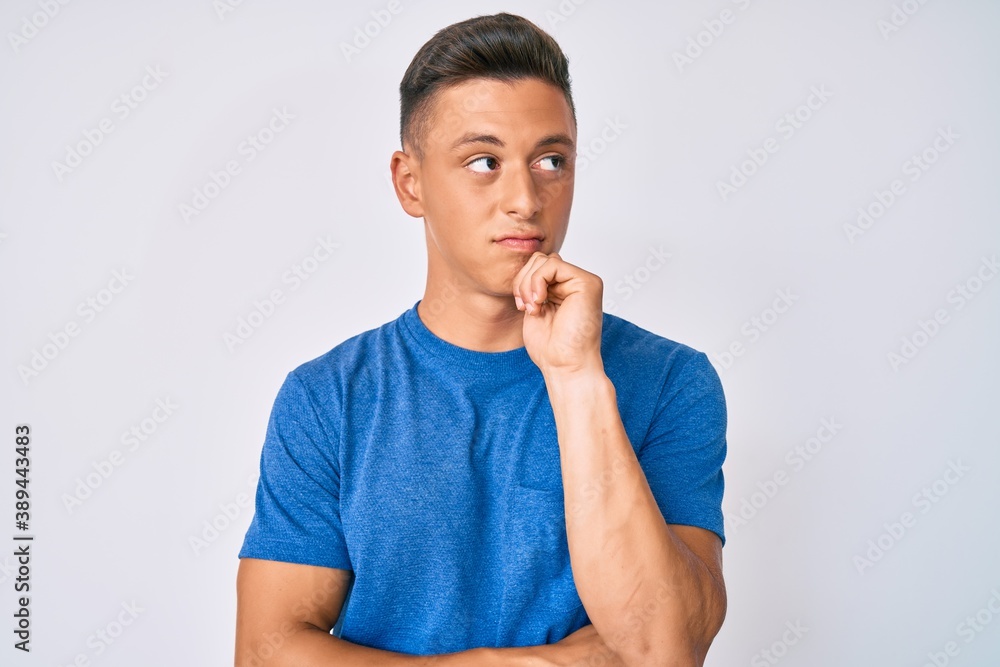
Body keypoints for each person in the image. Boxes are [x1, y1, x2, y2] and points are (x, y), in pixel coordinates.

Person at [235, 12, 727, 666]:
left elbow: (666, 648)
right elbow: (266, 652)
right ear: (410, 183)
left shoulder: (671, 382)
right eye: (484, 161)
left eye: (552, 160)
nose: (525, 198)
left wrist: (577, 379)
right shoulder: (328, 396)